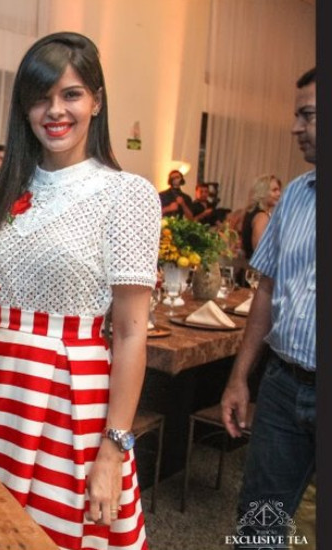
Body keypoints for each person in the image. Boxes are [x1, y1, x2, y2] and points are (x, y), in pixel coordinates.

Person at [0, 32, 158, 549]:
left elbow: (131, 333)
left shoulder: (127, 194)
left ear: (97, 101)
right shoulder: (1, 187)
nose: (55, 111)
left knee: (59, 534)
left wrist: (113, 450)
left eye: (71, 94)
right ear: (25, 108)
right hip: (1, 388)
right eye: (41, 98)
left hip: (71, 397)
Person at [219, 67, 315, 548]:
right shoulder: (295, 195)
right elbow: (266, 290)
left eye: (308, 115)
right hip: (282, 386)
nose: (296, 127)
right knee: (259, 521)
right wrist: (240, 378)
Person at [240, 174, 283, 260]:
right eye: (274, 190)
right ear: (263, 192)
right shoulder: (262, 217)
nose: (279, 194)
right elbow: (261, 252)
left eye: (279, 190)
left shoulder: (251, 212)